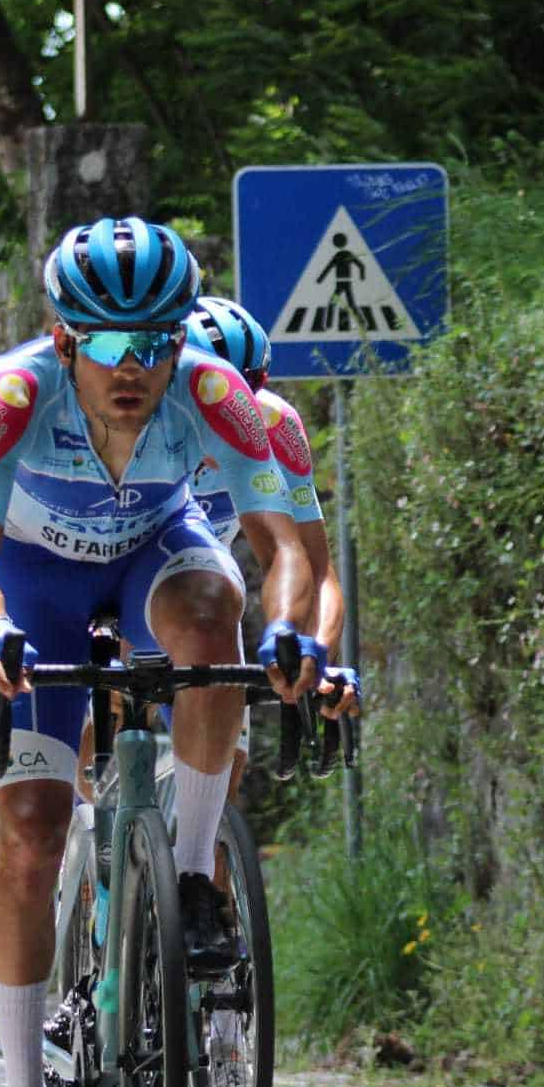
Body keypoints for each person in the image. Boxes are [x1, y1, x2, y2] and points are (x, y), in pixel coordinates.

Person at [0, 216, 321, 1087]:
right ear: (63, 338)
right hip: (36, 578)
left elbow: (286, 546)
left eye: (154, 342)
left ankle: (190, 878)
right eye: (108, 345)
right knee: (30, 833)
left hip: (155, 547)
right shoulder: (13, 395)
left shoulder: (210, 390)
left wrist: (293, 635)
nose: (132, 368)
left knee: (213, 614)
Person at [180, 293, 361, 772]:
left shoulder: (274, 423)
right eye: (209, 400)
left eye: (245, 393)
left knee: (228, 770)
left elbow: (317, 570)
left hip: (200, 588)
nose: (230, 413)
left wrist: (317, 654)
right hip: (124, 573)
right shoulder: (139, 425)